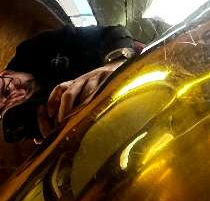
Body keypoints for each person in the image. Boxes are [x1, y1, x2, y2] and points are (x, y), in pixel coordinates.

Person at [0, 24, 136, 143]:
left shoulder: (33, 49)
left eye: (6, 91)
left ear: (5, 73)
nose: (17, 97)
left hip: (132, 78)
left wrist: (115, 63)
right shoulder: (29, 114)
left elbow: (111, 33)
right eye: (4, 107)